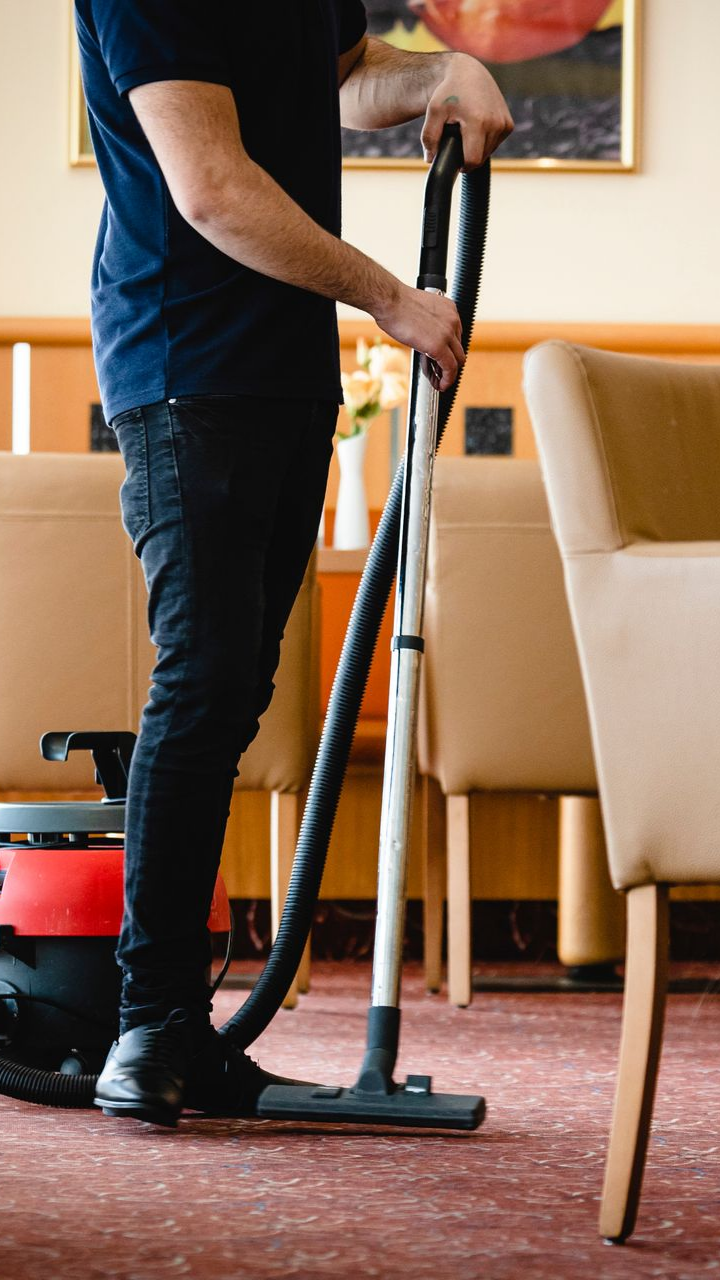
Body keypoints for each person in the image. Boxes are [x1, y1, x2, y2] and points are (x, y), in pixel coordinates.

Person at [75, 0, 513, 1127]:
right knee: (207, 674)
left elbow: (348, 72)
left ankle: (178, 1028)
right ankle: (148, 1026)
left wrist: (445, 73)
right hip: (182, 363)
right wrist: (390, 298)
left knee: (235, 687)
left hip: (282, 371)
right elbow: (209, 184)